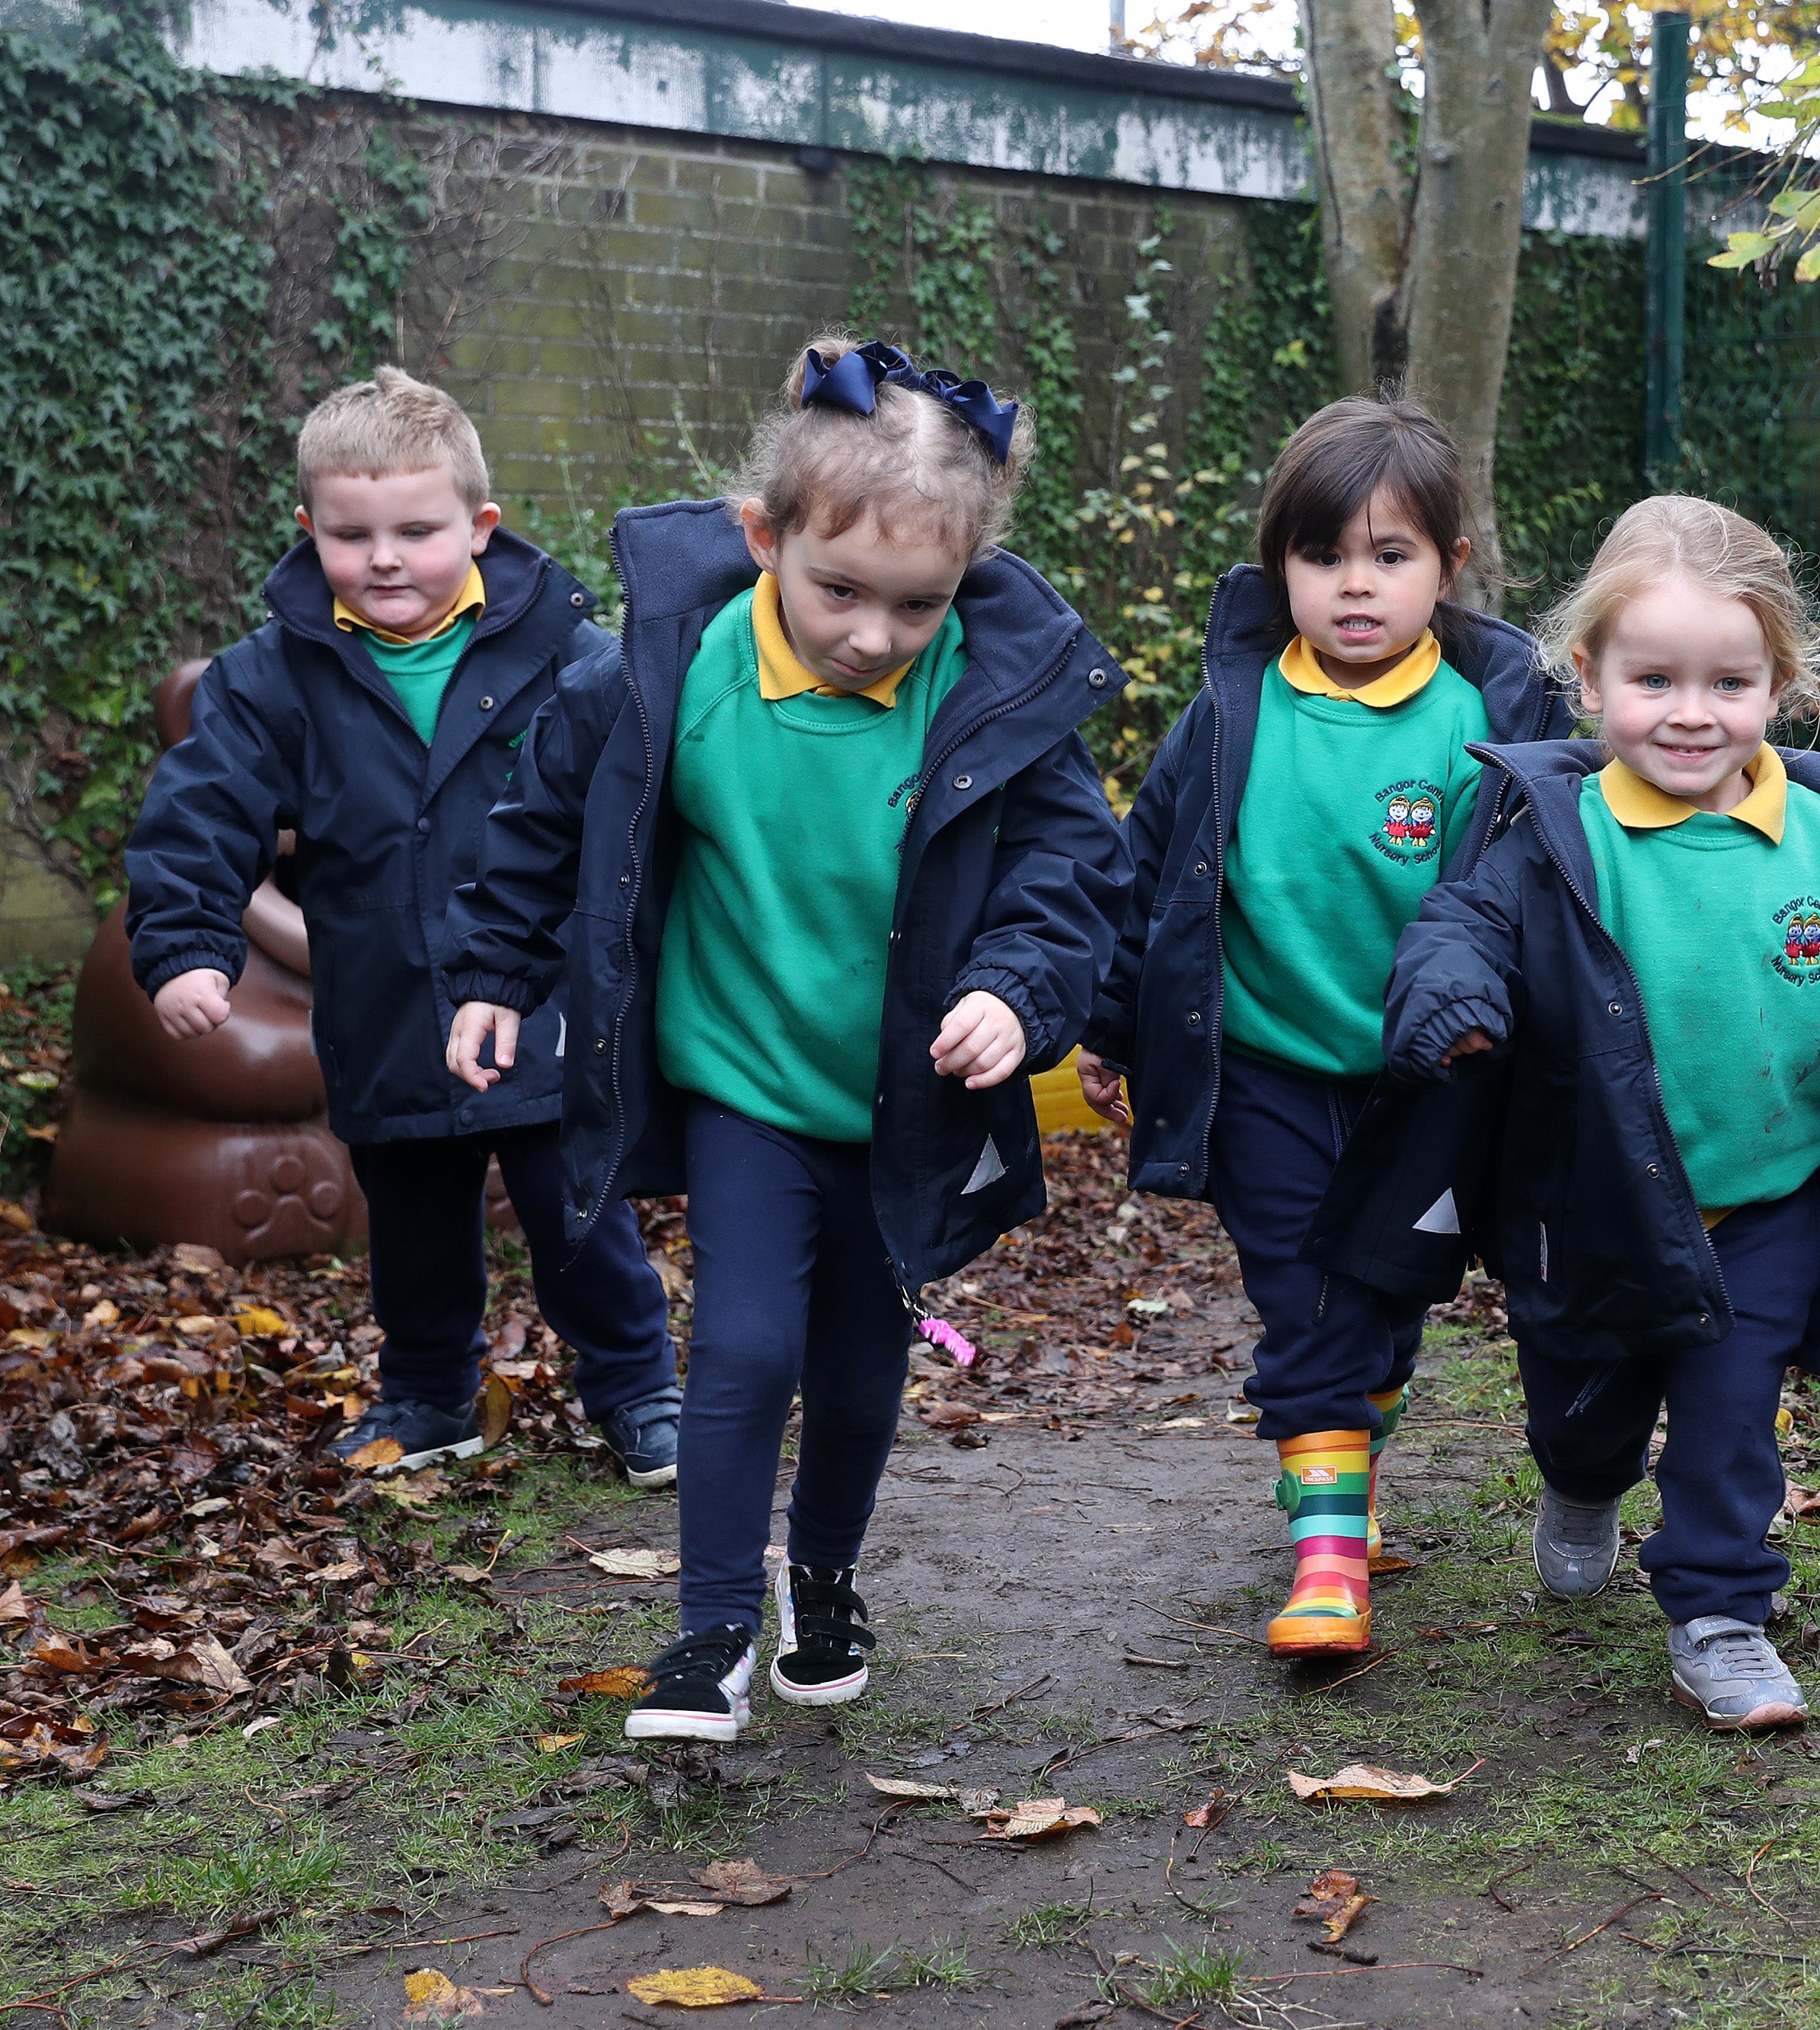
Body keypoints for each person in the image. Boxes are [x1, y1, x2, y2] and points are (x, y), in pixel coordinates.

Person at [442, 336, 1131, 1742]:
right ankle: (707, 1634)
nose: (873, 632)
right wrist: (496, 975)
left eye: (918, 605)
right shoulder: (659, 674)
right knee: (747, 1346)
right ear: (765, 535)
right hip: (745, 1088)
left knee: (863, 1370)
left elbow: (1070, 874)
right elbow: (538, 822)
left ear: (968, 584)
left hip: (899, 1103)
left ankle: (824, 1579)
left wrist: (1016, 987)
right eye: (839, 591)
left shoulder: (995, 699)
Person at [1342, 494, 1820, 1728]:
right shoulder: (1558, 832)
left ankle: (1721, 1611)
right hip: (1591, 1201)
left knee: (1732, 1420)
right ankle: (1580, 1486)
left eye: (1728, 681)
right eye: (1655, 678)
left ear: (1780, 683)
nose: (1691, 712)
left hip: (1768, 1201)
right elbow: (1463, 927)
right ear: (1589, 675)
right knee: (1585, 1414)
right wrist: (1451, 1006)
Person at [1079, 396, 1569, 1657]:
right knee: (1306, 1304)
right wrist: (1116, 1026)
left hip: (1428, 1086)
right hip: (1267, 1072)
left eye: (1391, 556)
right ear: (1277, 567)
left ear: (1448, 569)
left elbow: (1535, 902)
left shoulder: (1491, 725)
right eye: (1323, 557)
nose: (1357, 587)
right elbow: (1151, 875)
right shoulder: (1231, 713)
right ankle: (1327, 1559)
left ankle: (1342, 1447)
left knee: (1389, 1303)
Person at [126, 369, 679, 1483]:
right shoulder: (274, 678)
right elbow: (202, 809)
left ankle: (638, 1384)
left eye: (417, 531)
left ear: (480, 525)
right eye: (351, 532)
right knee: (415, 1227)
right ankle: (431, 1392)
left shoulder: (566, 656)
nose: (384, 557)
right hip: (382, 1001)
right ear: (308, 529)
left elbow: (645, 798)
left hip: (535, 997)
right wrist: (186, 944)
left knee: (576, 1209)